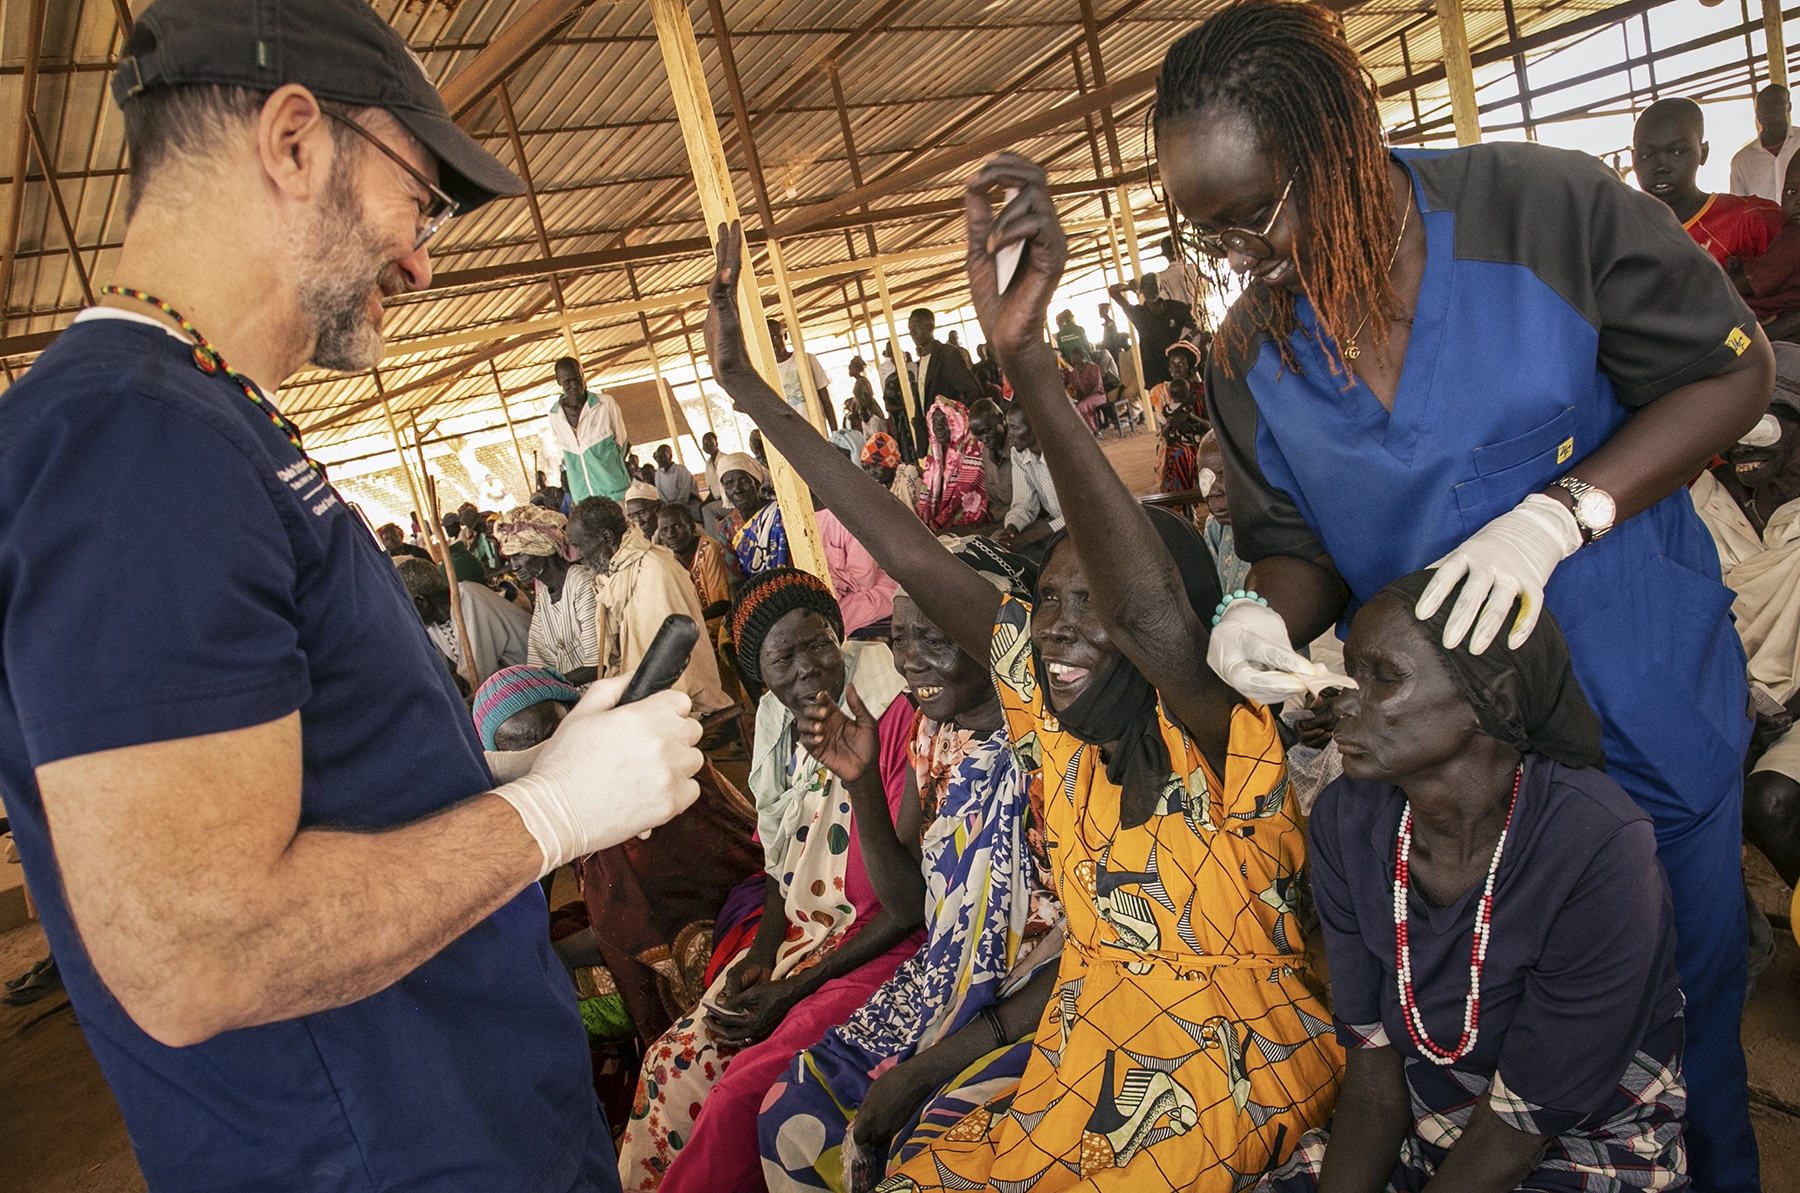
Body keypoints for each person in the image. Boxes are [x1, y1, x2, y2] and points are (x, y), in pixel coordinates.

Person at [0, 2, 705, 1188]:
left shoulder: (202, 418)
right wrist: (551, 817)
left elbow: (310, 787)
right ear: (293, 142)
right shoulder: (133, 441)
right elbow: (196, 948)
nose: (422, 259)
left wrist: (508, 776)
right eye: (419, 198)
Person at [1162, 5, 1770, 1186]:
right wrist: (1259, 613)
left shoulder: (1545, 213)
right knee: (1501, 1055)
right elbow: (1293, 542)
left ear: (1343, 143)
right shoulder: (1248, 357)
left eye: (1256, 215)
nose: (1239, 258)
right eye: (1208, 233)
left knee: (1688, 1040)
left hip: (1641, 703)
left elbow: (1726, 372)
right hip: (1457, 782)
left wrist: (1564, 512)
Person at [704, 205, 1342, 1189]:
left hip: (1224, 1074)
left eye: (1095, 607)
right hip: (1087, 1055)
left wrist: (1028, 362)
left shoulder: (1220, 741)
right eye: (1047, 601)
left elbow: (1149, 608)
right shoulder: (1062, 734)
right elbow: (911, 551)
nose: (1055, 630)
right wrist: (752, 394)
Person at [1258, 571, 1687, 1190]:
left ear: (1496, 700)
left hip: (1582, 1138)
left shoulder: (1596, 849)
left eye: (1384, 677)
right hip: (1419, 1123)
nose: (1342, 700)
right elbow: (1374, 1088)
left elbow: (1516, 1136)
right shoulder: (1347, 821)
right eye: (1351, 673)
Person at [758, 548, 1063, 1193]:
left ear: (1000, 639)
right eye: (900, 638)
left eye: (936, 638)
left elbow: (1090, 949)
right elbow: (907, 905)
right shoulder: (932, 735)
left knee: (922, 1154)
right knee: (791, 1106)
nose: (910, 660)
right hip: (941, 981)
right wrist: (862, 781)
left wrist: (929, 1067)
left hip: (1040, 1000)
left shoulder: (1050, 750)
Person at [617, 569, 921, 1193]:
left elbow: (903, 904)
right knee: (671, 1061)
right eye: (783, 659)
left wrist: (796, 987)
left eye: (818, 644)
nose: (808, 668)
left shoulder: (890, 712)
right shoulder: (776, 726)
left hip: (876, 940)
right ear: (759, 675)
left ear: (837, 636)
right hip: (812, 935)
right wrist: (762, 953)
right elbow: (782, 856)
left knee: (739, 1095)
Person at [473, 665, 761, 1046]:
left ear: (577, 718)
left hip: (717, 930)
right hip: (665, 916)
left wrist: (559, 954)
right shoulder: (569, 799)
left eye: (553, 736)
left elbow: (642, 923)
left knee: (532, 998)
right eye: (526, 757)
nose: (548, 760)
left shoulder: (629, 789)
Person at [1689, 353, 1800, 889]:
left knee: (1768, 803)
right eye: (1732, 426)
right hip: (1723, 702)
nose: (1739, 446)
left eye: (1760, 426)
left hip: (1790, 710)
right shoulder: (1698, 503)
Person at [567, 496, 735, 721]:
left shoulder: (653, 570)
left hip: (675, 697)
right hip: (644, 694)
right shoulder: (617, 574)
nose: (578, 555)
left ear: (606, 537)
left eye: (579, 545)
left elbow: (673, 664)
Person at [1634, 97, 1784, 266]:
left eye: (1678, 152)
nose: (1661, 167)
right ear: (1633, 158)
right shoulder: (1621, 237)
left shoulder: (1752, 220)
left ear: (1703, 153)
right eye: (1646, 155)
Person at [497, 505, 601, 686]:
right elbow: (539, 658)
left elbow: (597, 665)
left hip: (600, 689)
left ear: (542, 549)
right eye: (511, 558)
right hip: (572, 690)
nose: (514, 566)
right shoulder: (545, 593)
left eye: (520, 555)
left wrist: (547, 686)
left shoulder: (581, 583)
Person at [395, 553, 531, 685]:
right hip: (507, 683)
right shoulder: (433, 623)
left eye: (406, 608)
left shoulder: (469, 596)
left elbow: (478, 672)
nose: (407, 617)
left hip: (530, 677)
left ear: (422, 601)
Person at [1731, 149, 1800, 341]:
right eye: (1792, 192)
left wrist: (1722, 282)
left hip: (1766, 319)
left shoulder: (1796, 241)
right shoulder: (1789, 232)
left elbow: (1749, 283)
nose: (1798, 201)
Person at [545, 356, 633, 503]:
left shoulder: (605, 404)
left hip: (615, 492)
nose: (574, 385)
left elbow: (621, 443)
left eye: (577, 378)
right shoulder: (555, 415)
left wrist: (609, 471)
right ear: (559, 381)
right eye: (567, 382)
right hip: (583, 497)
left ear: (582, 374)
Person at [814, 502, 900, 638]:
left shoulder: (854, 519)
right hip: (833, 595)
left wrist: (833, 580)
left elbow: (864, 580)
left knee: (827, 622)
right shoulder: (787, 523)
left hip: (874, 587)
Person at [1108, 273, 1197, 388]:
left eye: (1154, 285)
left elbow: (1197, 322)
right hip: (1154, 376)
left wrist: (1188, 338)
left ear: (1160, 287)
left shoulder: (1175, 308)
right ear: (1142, 290)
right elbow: (1113, 291)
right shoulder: (1138, 314)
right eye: (1146, 286)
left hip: (1178, 372)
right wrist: (1129, 287)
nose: (1150, 289)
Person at [995, 402, 1062, 551]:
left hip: (1083, 525)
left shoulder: (1062, 453)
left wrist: (1030, 537)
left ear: (1034, 428)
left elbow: (1079, 514)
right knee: (999, 542)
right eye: (1008, 427)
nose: (1009, 434)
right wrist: (1011, 530)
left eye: (1015, 427)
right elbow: (1024, 505)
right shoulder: (1019, 453)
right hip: (1054, 523)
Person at [917, 397, 990, 532]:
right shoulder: (937, 452)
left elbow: (964, 498)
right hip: (944, 523)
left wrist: (937, 525)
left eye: (944, 420)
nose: (938, 426)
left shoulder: (974, 448)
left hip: (974, 523)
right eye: (935, 421)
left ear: (958, 421)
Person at [655, 503, 733, 623]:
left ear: (691, 526)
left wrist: (691, 624)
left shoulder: (708, 549)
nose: (671, 534)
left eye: (677, 526)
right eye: (664, 530)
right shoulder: (671, 561)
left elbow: (722, 604)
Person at [1195, 432, 1252, 595]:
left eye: (1224, 476)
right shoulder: (1215, 525)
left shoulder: (1281, 527)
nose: (1214, 492)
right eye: (1206, 478)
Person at [717, 451, 789, 577]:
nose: (737, 489)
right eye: (729, 484)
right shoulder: (727, 528)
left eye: (744, 480)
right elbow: (735, 579)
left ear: (756, 483)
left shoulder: (781, 513)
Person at [910, 308, 988, 413]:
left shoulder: (947, 354)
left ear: (930, 327)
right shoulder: (922, 360)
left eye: (916, 326)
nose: (912, 332)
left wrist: (953, 415)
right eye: (910, 328)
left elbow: (973, 391)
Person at [1732, 83, 1800, 202]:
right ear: (1756, 112)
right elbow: (1740, 207)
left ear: (1789, 106)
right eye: (1763, 106)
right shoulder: (1741, 161)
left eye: (1775, 102)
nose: (1769, 109)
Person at [769, 319, 836, 431]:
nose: (773, 344)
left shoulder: (808, 360)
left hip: (817, 429)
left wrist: (835, 432)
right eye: (768, 339)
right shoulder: (767, 372)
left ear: (785, 336)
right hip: (789, 433)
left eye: (776, 337)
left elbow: (825, 400)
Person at [968, 397, 1014, 514]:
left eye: (986, 431)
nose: (984, 440)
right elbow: (993, 501)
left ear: (1000, 418)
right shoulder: (987, 452)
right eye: (977, 435)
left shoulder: (1018, 447)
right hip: (1004, 516)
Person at [861, 431, 922, 512]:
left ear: (890, 462)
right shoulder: (886, 487)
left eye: (876, 465)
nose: (871, 472)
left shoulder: (908, 473)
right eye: (867, 468)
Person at [1062, 341, 1113, 436]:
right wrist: (1079, 398)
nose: (1071, 359)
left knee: (1082, 406)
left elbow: (1095, 386)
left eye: (1073, 356)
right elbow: (1077, 389)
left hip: (1098, 395)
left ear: (1079, 356)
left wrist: (1085, 399)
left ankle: (1094, 431)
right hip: (1086, 397)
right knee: (1076, 406)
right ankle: (1090, 430)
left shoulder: (1093, 367)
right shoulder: (1075, 372)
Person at [653, 444, 702, 519]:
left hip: (688, 503)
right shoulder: (657, 474)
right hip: (668, 506)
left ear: (670, 456)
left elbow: (685, 491)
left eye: (663, 456)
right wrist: (668, 506)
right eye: (658, 456)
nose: (660, 459)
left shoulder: (681, 470)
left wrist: (677, 504)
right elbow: (660, 494)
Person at [440, 510, 487, 583]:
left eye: (449, 527)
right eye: (446, 528)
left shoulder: (465, 536)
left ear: (456, 525)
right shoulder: (453, 541)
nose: (447, 531)